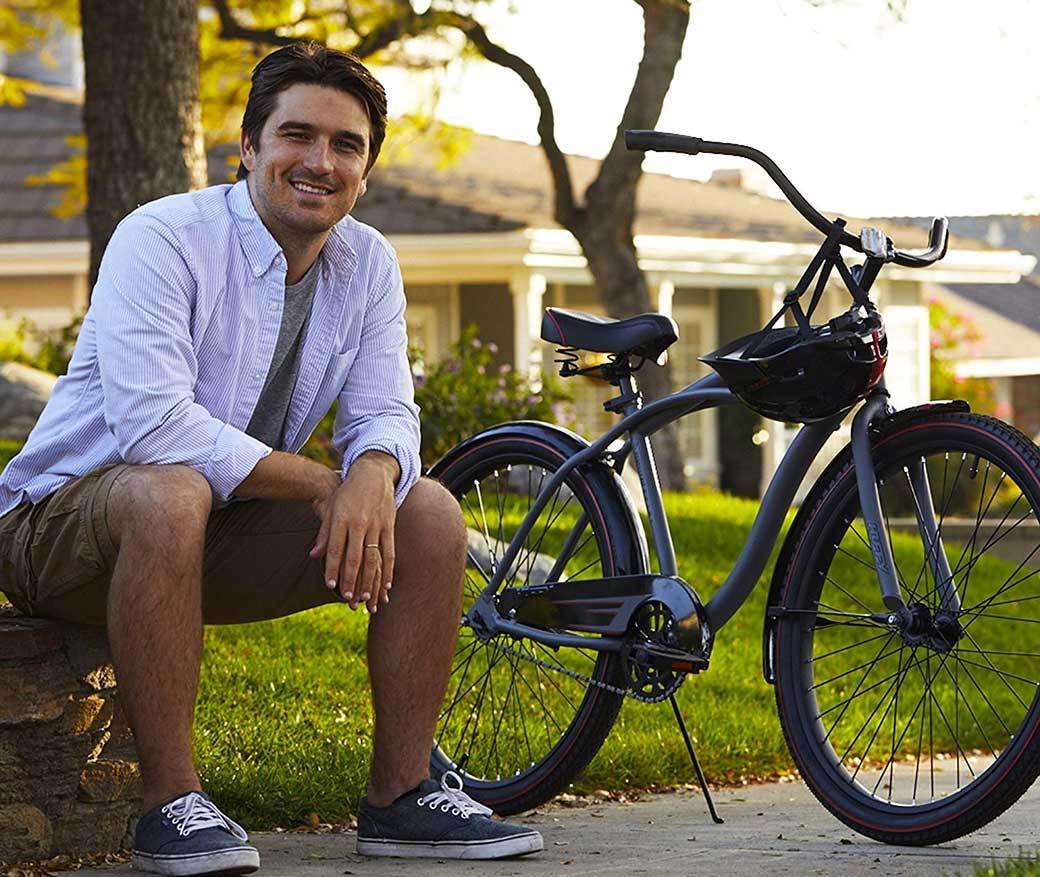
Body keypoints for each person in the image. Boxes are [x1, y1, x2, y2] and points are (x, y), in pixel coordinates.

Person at [0, 42, 543, 874]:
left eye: (347, 145)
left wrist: (372, 472)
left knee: (426, 509)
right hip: (56, 529)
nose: (320, 162)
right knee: (171, 490)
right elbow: (155, 427)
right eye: (297, 135)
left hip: (211, 529)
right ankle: (170, 805)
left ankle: (401, 795)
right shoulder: (162, 238)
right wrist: (326, 480)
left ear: (367, 169)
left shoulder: (368, 263)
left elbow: (388, 411)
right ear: (248, 147)